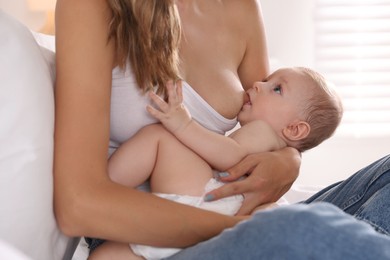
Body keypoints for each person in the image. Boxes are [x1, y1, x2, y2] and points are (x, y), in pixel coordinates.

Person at [54, 0, 300, 258]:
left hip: (223, 210)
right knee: (321, 231)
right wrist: (245, 230)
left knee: (341, 207)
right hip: (142, 235)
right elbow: (78, 206)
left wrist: (289, 161)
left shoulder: (241, 7)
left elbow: (273, 118)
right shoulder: (95, 6)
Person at [97, 67, 342, 259]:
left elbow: (231, 157)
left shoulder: (264, 132)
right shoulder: (273, 147)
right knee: (108, 255)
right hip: (220, 214)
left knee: (159, 137)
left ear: (294, 129)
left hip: (212, 202)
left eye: (276, 89)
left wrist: (183, 124)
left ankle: (103, 185)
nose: (257, 84)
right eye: (267, 80)